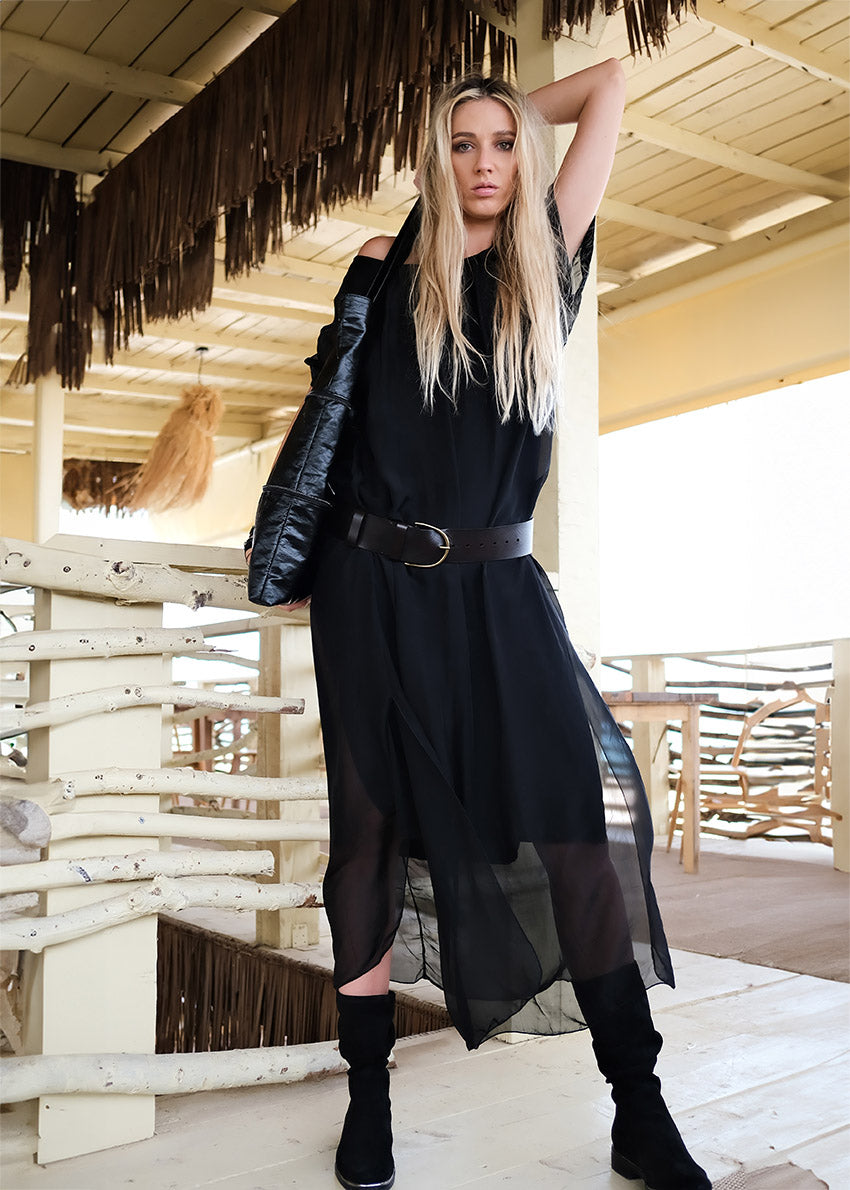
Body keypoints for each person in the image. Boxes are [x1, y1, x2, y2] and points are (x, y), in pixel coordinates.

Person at [282, 62, 711, 1190]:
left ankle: (639, 1108)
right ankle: (368, 1099)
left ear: (526, 152)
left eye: (503, 142)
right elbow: (332, 420)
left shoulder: (541, 261)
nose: (484, 163)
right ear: (437, 161)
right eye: (462, 144)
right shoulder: (381, 265)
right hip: (370, 593)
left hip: (502, 595)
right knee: (367, 840)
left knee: (576, 837)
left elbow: (609, 85)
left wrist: (503, 105)